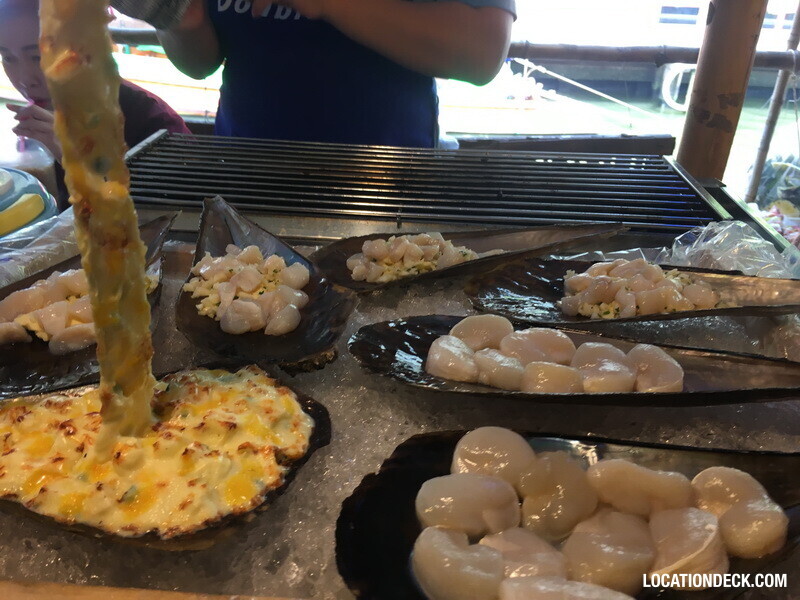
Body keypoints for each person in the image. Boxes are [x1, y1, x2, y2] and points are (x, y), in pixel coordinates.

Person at [111, 0, 515, 147]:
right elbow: (200, 64)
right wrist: (177, 16)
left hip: (390, 181)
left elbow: (480, 53)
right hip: (243, 172)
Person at [0, 0, 191, 167]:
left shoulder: (152, 122)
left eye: (37, 57)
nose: (25, 80)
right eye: (8, 58)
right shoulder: (33, 129)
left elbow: (183, 200)